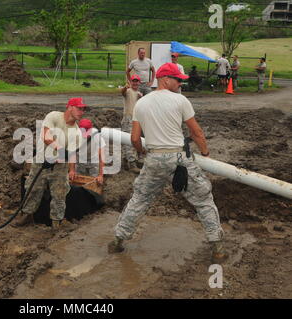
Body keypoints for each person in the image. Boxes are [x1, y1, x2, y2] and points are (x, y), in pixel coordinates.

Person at [108, 63, 227, 264]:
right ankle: (218, 249)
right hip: (178, 159)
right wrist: (205, 154)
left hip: (154, 158)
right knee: (203, 200)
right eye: (178, 79)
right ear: (165, 79)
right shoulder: (180, 101)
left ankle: (118, 241)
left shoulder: (142, 103)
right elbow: (196, 132)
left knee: (140, 199)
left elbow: (135, 138)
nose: (180, 83)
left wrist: (143, 152)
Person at [14, 98, 86, 229]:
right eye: (79, 108)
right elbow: (46, 136)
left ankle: (56, 222)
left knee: (59, 194)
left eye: (83, 109)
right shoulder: (53, 116)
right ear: (69, 107)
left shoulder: (76, 132)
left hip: (59, 167)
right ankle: (27, 215)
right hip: (41, 161)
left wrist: (71, 169)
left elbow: (71, 154)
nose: (82, 112)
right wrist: (60, 150)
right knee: (33, 188)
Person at [120, 74, 143, 173]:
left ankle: (126, 161)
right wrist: (125, 87)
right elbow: (123, 92)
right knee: (130, 140)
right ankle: (132, 163)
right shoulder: (128, 91)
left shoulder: (139, 94)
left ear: (139, 83)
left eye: (136, 81)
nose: (135, 83)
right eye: (133, 81)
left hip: (135, 119)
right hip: (128, 118)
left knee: (128, 140)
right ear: (131, 82)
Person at [75, 118, 105, 185]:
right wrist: (72, 170)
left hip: (94, 160)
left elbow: (101, 156)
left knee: (95, 182)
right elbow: (71, 154)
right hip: (80, 159)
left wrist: (100, 175)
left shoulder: (97, 136)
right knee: (77, 181)